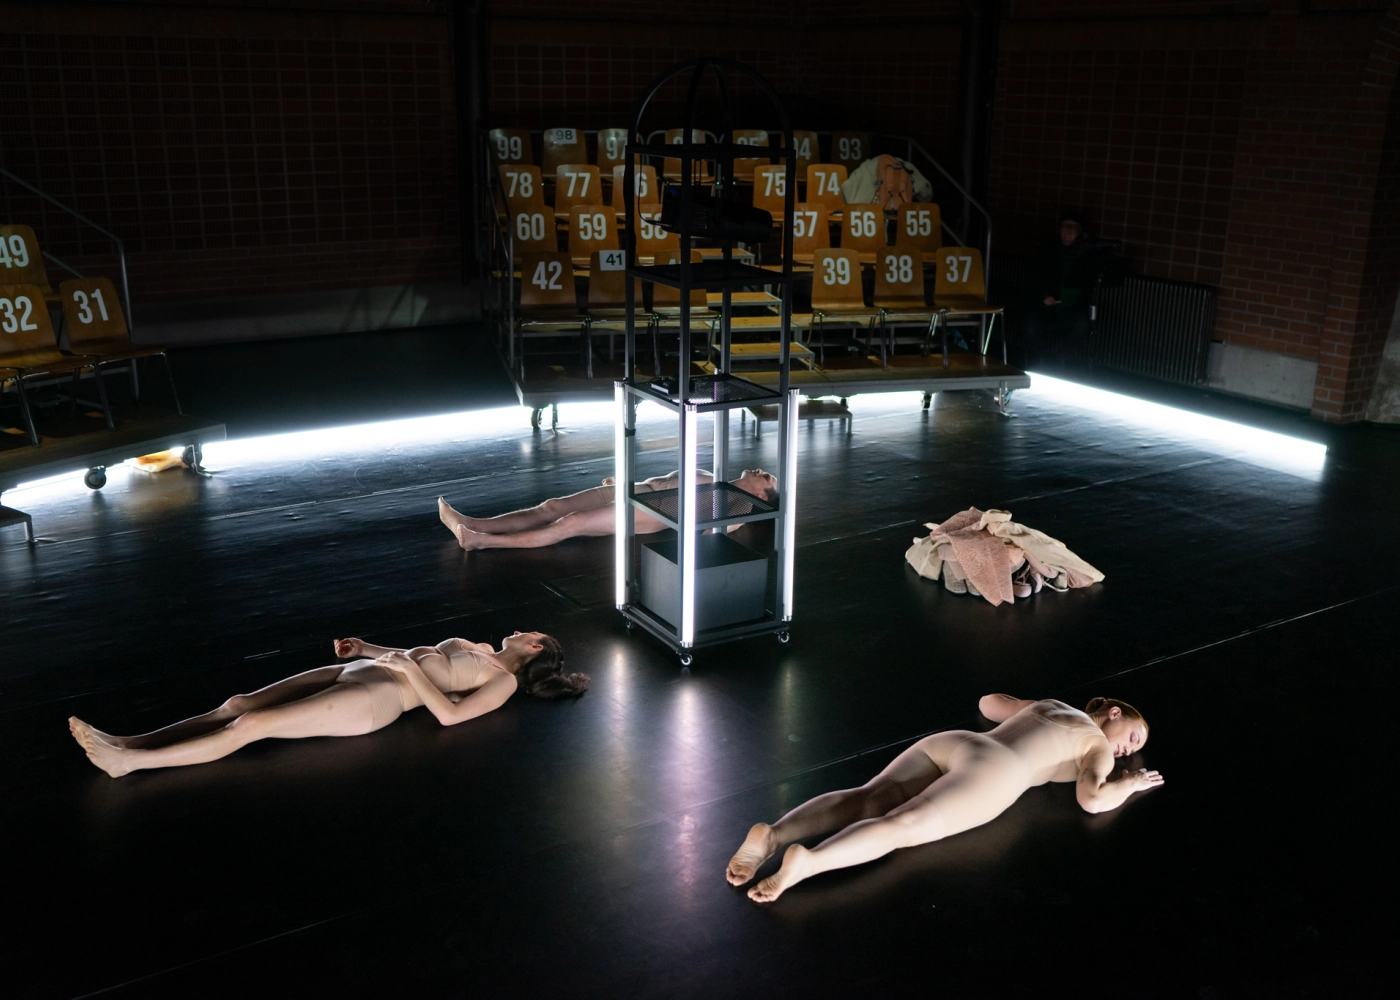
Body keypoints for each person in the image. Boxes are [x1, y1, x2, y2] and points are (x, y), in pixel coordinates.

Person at [725, 695, 1162, 903]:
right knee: (902, 825)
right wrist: (1130, 783)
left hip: (961, 742)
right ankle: (809, 863)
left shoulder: (1052, 704)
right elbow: (1091, 799)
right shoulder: (1098, 747)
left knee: (867, 797)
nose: (1127, 751)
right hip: (998, 772)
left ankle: (772, 834)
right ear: (1115, 713)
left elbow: (989, 704)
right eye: (1132, 738)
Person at [68, 632, 588, 778]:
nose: (519, 629)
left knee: (251, 724)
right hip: (363, 671)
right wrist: (366, 649)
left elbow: (449, 715)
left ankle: (129, 763)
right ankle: (129, 740)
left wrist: (407, 672)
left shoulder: (501, 682)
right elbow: (415, 657)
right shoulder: (478, 647)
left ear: (534, 647)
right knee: (238, 703)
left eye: (529, 632)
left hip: (377, 698)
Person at [438, 468, 778, 551]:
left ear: (762, 493)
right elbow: (662, 480)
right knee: (552, 507)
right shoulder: (712, 474)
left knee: (571, 522)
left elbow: (716, 531)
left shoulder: (740, 503)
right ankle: (473, 522)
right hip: (634, 490)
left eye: (766, 477)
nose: (761, 470)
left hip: (649, 511)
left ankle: (482, 541)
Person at [1020, 209, 1096, 367]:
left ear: (1079, 232)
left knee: (1081, 324)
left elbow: (1086, 287)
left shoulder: (1085, 256)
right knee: (1030, 325)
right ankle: (1040, 362)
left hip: (1071, 309)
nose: (1068, 231)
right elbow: (1032, 279)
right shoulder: (1047, 251)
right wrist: (1043, 296)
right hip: (1044, 306)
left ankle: (1060, 363)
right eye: (1065, 226)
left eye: (1073, 228)